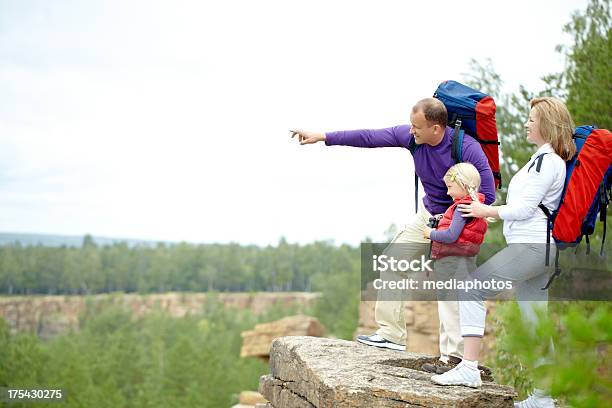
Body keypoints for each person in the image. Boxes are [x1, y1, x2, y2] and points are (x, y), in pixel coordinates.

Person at [291, 97, 496, 372]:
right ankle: (392, 334)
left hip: (455, 222)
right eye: (411, 125)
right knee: (391, 262)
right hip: (428, 217)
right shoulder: (412, 137)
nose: (411, 131)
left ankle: (456, 359)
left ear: (437, 128)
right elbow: (369, 137)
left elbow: (489, 196)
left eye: (417, 127)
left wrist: (454, 223)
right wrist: (323, 137)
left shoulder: (466, 147)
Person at [430, 97, 576, 408]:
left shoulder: (547, 161)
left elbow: (523, 209)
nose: (526, 123)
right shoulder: (544, 160)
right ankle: (543, 398)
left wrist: (485, 210)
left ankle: (469, 368)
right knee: (535, 322)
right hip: (541, 250)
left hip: (532, 247)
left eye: (532, 119)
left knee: (471, 287)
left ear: (547, 124)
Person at [421, 163, 488, 374]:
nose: (448, 192)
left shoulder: (462, 207)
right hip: (461, 263)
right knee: (448, 310)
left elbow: (451, 236)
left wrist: (429, 233)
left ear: (463, 185)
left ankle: (454, 358)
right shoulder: (470, 206)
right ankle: (446, 356)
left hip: (451, 264)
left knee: (451, 311)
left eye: (451, 187)